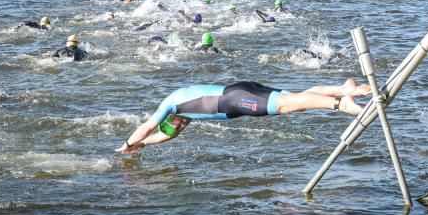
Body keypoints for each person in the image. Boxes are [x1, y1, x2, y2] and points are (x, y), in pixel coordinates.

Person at [115, 78, 371, 152]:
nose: (180, 127)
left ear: (172, 120)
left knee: (289, 106)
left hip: (237, 99)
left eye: (177, 126)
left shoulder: (170, 106)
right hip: (241, 90)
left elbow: (148, 127)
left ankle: (340, 104)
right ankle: (344, 88)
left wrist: (127, 144)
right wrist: (142, 145)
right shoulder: (185, 107)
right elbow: (165, 135)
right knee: (296, 100)